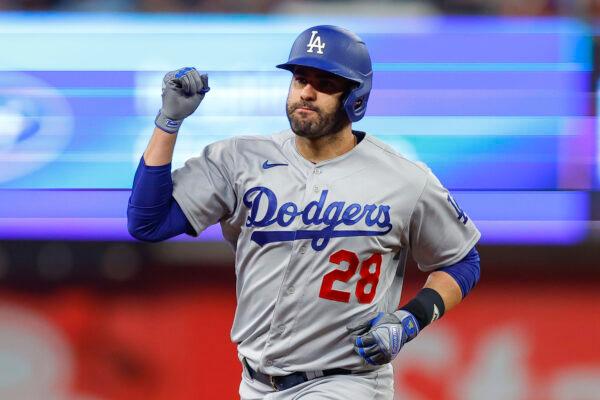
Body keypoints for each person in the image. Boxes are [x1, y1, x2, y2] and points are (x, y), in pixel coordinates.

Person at [127, 25, 481, 400]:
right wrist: (169, 123)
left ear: (355, 97)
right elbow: (148, 222)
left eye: (325, 83)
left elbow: (462, 261)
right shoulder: (240, 159)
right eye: (300, 79)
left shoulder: (405, 180)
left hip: (347, 382)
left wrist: (412, 319)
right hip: (255, 383)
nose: (307, 93)